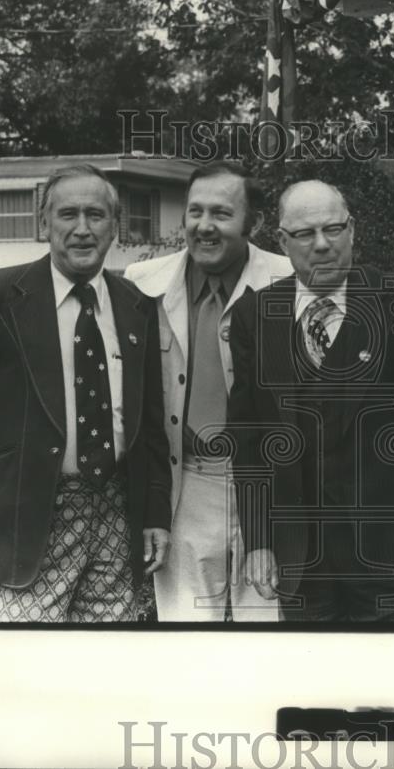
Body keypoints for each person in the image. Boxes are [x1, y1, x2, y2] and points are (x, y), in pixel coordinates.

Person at [0, 164, 172, 622]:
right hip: (28, 518)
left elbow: (149, 423)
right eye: (68, 214)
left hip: (115, 517)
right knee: (23, 662)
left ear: (113, 227)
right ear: (44, 224)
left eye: (95, 215)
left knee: (101, 666)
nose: (82, 229)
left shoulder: (136, 304)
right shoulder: (0, 293)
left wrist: (155, 512)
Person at [227, 179, 394, 622]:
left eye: (333, 229)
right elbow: (249, 437)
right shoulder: (255, 316)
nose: (321, 245)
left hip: (386, 549)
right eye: (304, 234)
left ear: (352, 229)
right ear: (281, 240)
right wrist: (260, 537)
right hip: (300, 556)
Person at [125, 162, 291, 622]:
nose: (204, 226)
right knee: (187, 629)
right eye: (194, 212)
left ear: (253, 223)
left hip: (269, 485)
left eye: (220, 213)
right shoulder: (142, 284)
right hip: (189, 481)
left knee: (269, 628)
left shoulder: (290, 282)